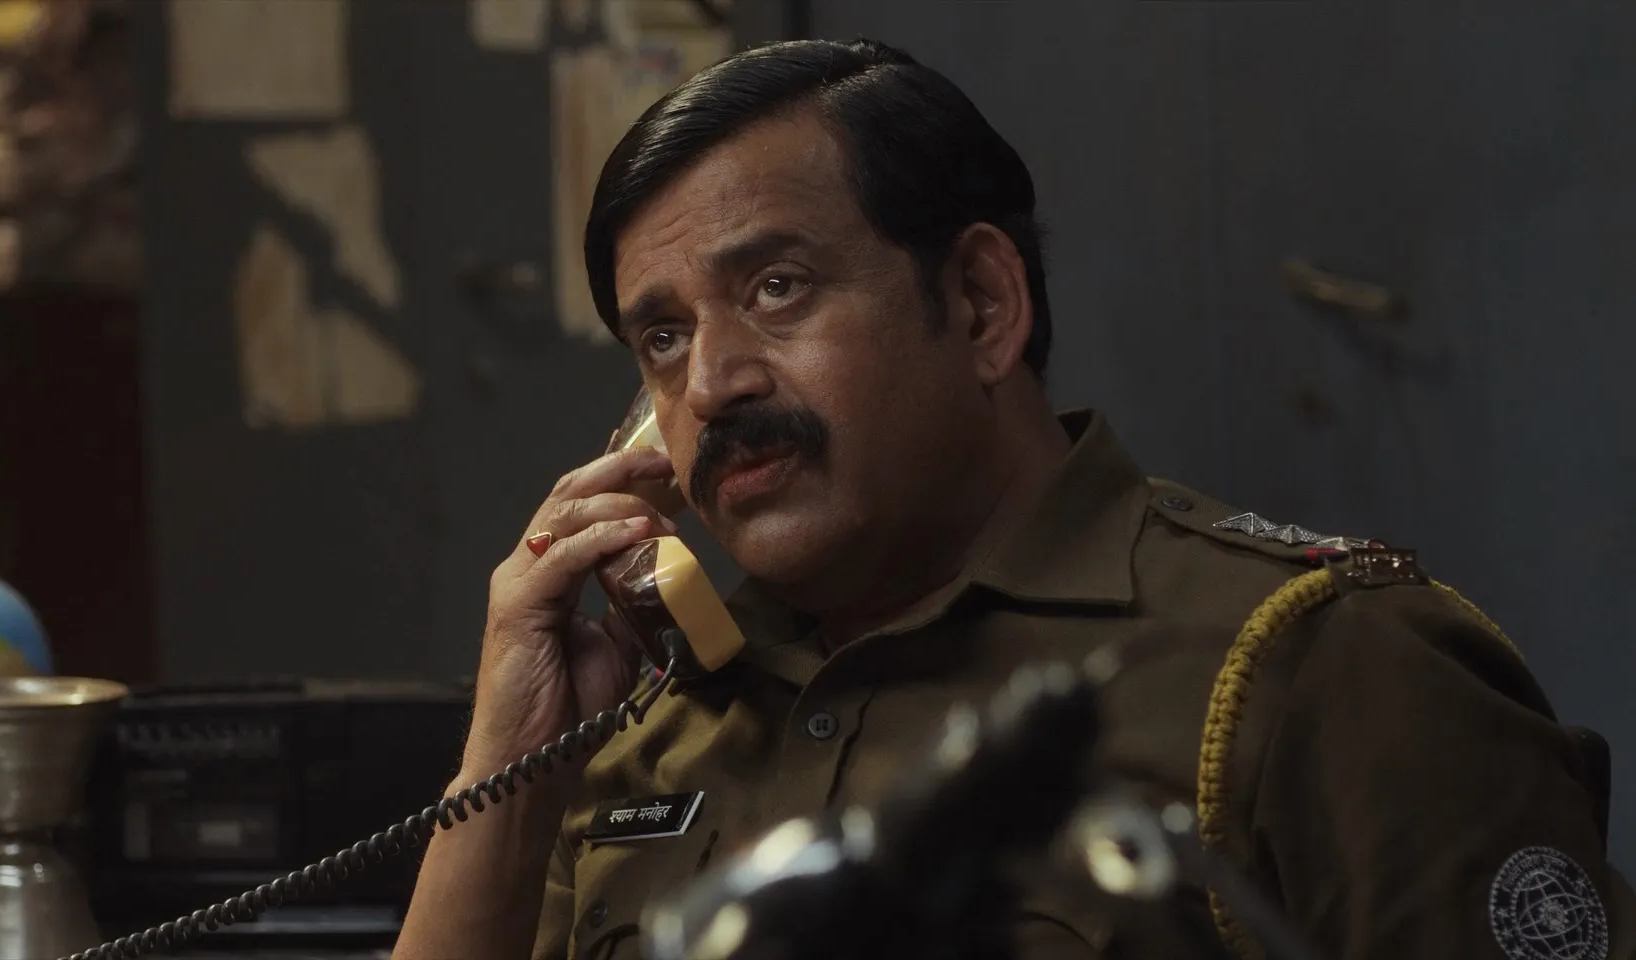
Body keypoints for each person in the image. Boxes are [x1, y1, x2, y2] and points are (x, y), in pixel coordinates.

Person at [391, 37, 1633, 960]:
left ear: (982, 304)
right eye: (662, 338)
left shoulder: (1321, 668)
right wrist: (507, 766)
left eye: (777, 289)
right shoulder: (645, 730)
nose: (711, 385)